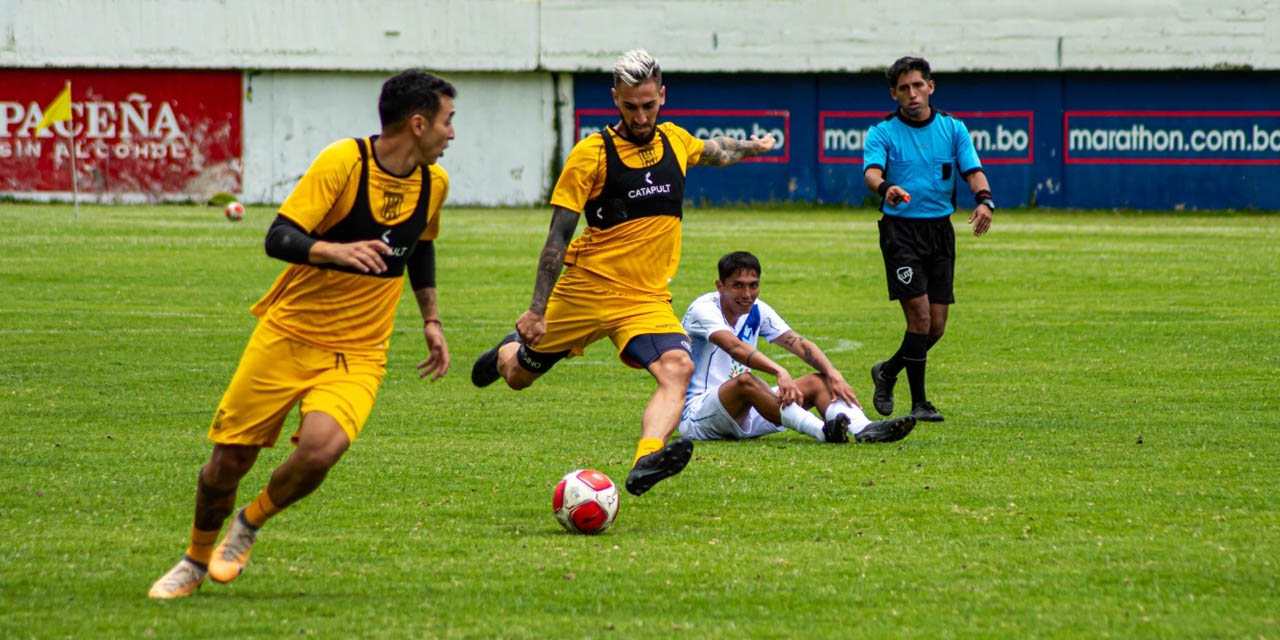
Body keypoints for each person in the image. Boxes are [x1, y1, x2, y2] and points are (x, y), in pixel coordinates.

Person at [148, 69, 457, 599]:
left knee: (319, 451)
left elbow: (420, 246)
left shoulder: (434, 183)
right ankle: (195, 558)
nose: (453, 133)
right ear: (418, 122)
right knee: (227, 464)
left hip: (358, 351)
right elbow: (278, 236)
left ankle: (249, 522)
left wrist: (431, 319)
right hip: (287, 335)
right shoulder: (344, 162)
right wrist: (333, 251)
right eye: (448, 121)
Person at [470, 49, 776, 496]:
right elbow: (557, 238)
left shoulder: (674, 140)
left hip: (645, 299)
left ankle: (646, 458)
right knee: (520, 377)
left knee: (678, 367)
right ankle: (509, 349)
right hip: (585, 292)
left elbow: (717, 151)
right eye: (630, 106)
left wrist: (754, 147)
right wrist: (536, 310)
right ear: (615, 98)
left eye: (648, 104)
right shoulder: (590, 155)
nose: (640, 115)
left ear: (662, 96)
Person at [862, 56, 994, 423]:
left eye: (918, 85)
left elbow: (973, 171)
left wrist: (985, 202)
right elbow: (872, 173)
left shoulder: (953, 129)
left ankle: (887, 371)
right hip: (901, 233)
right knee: (919, 318)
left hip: (940, 232)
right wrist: (886, 187)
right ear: (894, 94)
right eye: (904, 88)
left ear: (931, 87)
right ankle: (919, 403)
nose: (912, 93)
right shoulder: (882, 132)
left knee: (935, 326)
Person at [679, 251, 916, 443]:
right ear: (720, 286)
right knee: (746, 381)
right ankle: (823, 432)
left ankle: (865, 429)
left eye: (753, 285)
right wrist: (779, 371)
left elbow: (799, 343)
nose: (747, 294)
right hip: (699, 415)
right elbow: (735, 348)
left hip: (748, 410)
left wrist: (833, 373)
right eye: (738, 286)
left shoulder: (757, 308)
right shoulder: (703, 309)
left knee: (818, 381)